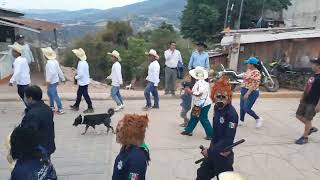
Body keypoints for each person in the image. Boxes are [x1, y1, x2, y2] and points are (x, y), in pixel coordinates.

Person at [196, 78, 239, 180]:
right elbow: (216, 133)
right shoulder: (217, 108)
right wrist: (210, 149)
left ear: (228, 97)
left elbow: (228, 138)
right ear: (213, 97)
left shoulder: (232, 114)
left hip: (223, 154)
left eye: (223, 96)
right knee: (202, 174)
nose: (220, 99)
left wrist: (210, 151)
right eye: (217, 96)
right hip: (214, 150)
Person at [20, 85, 56, 157]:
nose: (24, 99)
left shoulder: (33, 114)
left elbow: (28, 134)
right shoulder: (47, 108)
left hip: (38, 151)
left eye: (24, 97)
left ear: (30, 98)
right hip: (48, 146)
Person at [112, 114, 150, 180]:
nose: (116, 133)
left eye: (118, 131)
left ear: (129, 135)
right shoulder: (127, 146)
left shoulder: (136, 158)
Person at [181, 67, 213, 140]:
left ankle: (211, 134)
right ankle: (188, 130)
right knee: (194, 116)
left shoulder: (200, 83)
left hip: (202, 104)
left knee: (203, 118)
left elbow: (199, 93)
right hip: (201, 103)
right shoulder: (201, 82)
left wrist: (190, 91)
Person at [295, 58, 320, 145]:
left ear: (318, 66)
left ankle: (305, 138)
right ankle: (311, 128)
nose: (312, 65)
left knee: (308, 119)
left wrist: (319, 105)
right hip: (305, 100)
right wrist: (302, 96)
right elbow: (307, 86)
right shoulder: (313, 75)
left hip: (313, 102)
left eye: (313, 64)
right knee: (298, 116)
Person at [239, 57, 263, 128]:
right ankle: (241, 120)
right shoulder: (249, 70)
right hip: (244, 90)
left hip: (252, 92)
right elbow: (246, 79)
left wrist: (247, 93)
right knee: (242, 107)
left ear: (252, 64)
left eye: (248, 63)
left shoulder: (256, 72)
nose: (247, 64)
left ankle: (258, 119)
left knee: (246, 108)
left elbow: (253, 84)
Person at [42, 47, 66, 115]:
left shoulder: (49, 63)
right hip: (55, 81)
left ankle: (60, 109)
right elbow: (59, 70)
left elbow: (51, 73)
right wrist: (62, 78)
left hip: (51, 82)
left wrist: (48, 81)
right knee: (50, 94)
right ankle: (52, 107)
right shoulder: (55, 61)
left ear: (46, 56)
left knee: (54, 95)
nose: (43, 56)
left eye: (44, 55)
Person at [70, 48, 94, 114]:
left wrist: (75, 77)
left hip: (83, 82)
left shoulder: (81, 63)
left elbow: (80, 74)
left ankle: (90, 107)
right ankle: (76, 105)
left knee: (85, 95)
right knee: (79, 94)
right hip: (85, 81)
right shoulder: (85, 62)